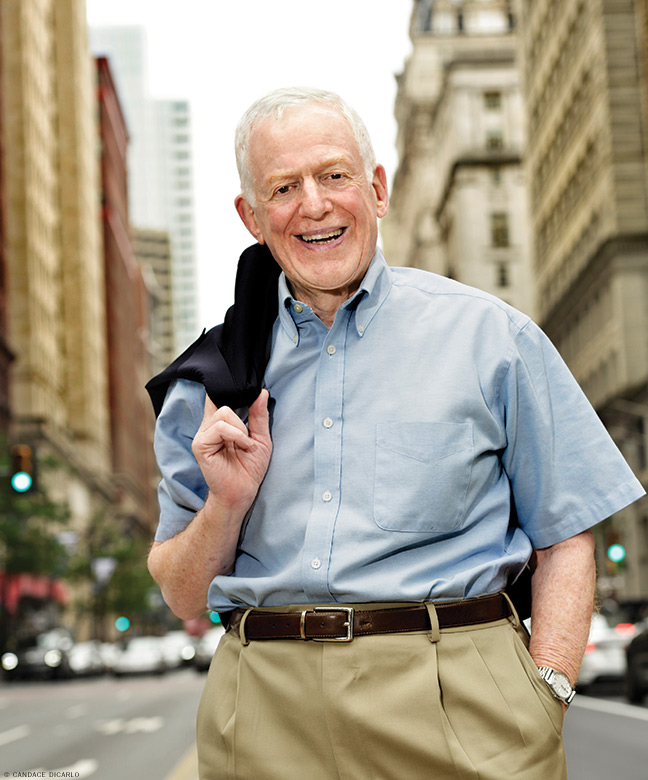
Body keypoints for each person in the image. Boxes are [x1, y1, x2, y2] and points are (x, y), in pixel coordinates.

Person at [147, 87, 645, 780]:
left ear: (377, 189)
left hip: (459, 703)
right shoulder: (209, 379)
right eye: (283, 187)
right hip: (262, 716)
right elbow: (181, 594)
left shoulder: (491, 338)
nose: (314, 204)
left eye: (335, 175)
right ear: (252, 217)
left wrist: (549, 691)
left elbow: (566, 535)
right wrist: (226, 504)